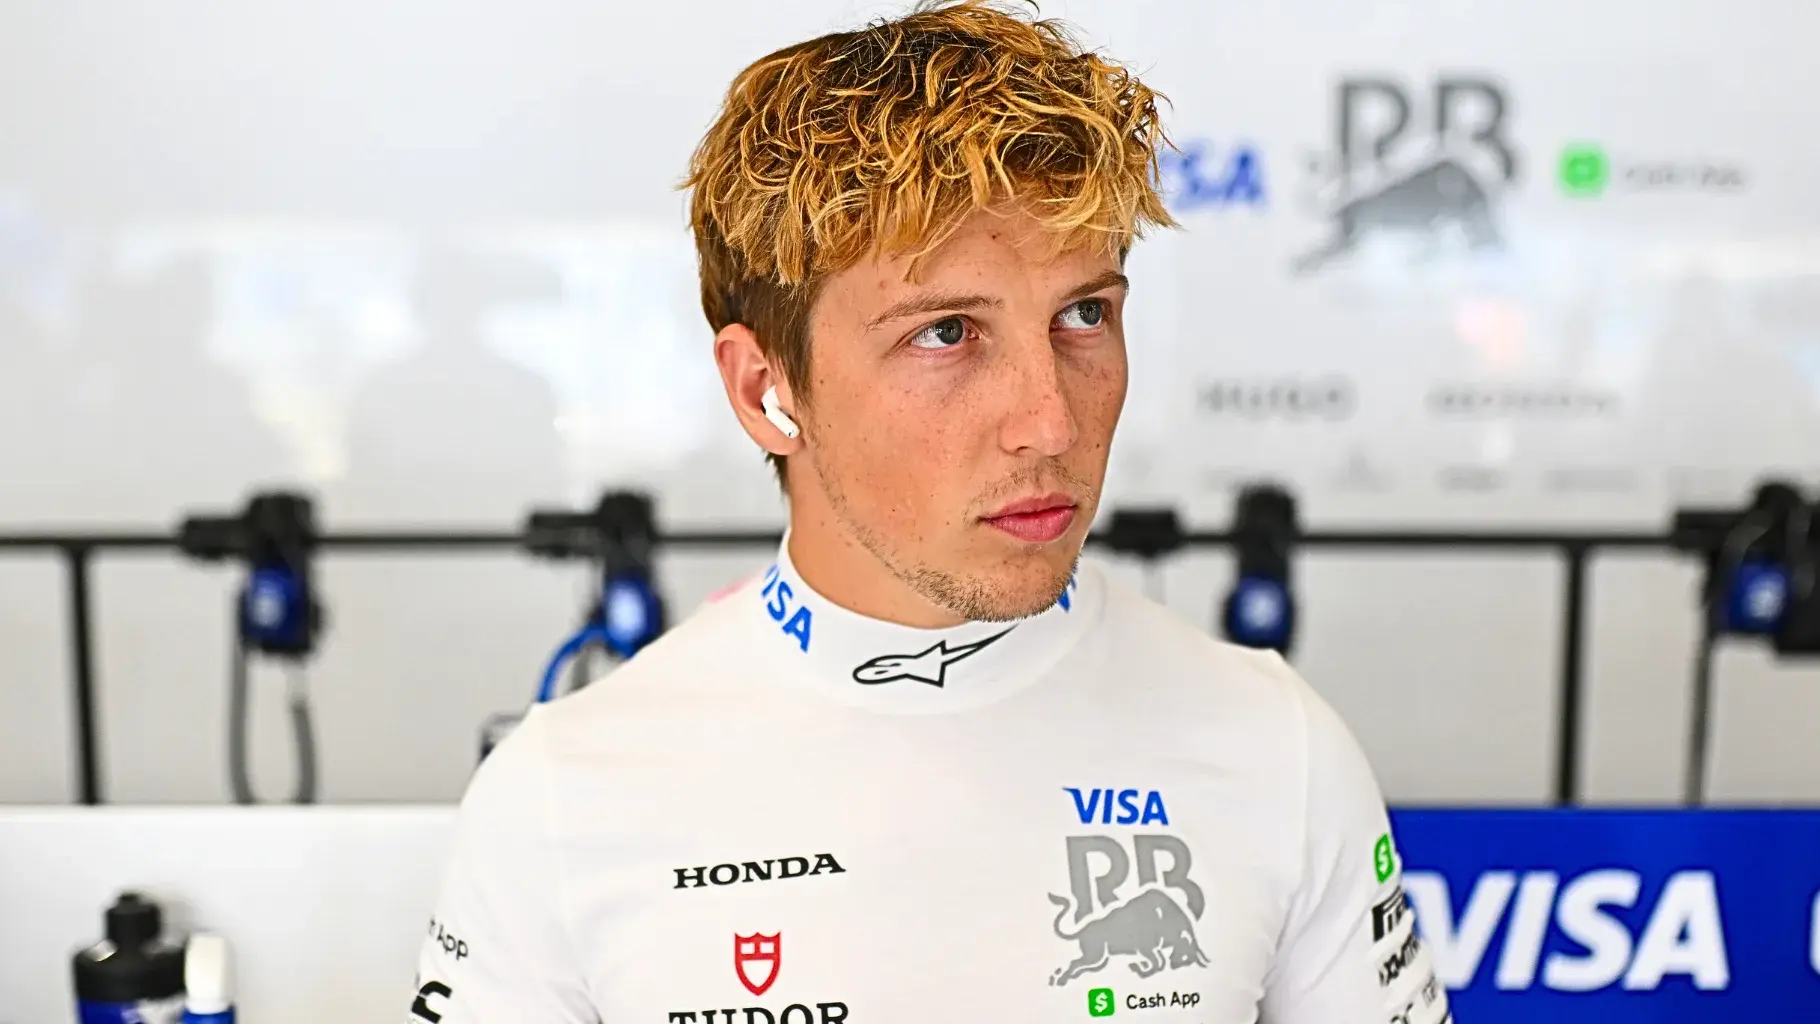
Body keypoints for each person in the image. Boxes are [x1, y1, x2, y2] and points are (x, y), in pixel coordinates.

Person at [411, 3, 1450, 1022]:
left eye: (1085, 313)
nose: (1048, 420)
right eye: (948, 332)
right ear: (765, 389)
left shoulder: (1277, 744)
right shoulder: (560, 795)